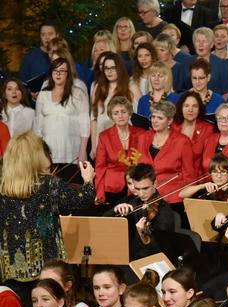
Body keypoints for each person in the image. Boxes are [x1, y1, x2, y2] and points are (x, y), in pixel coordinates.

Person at [0, 133, 95, 284]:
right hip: (47, 271)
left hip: (10, 271)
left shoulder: (3, 185)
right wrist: (88, 180)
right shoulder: (49, 184)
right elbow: (81, 200)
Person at [107, 163, 175, 261]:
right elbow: (104, 222)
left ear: (155, 183)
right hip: (130, 258)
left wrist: (144, 236)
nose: (141, 194)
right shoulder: (132, 201)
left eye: (145, 188)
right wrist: (115, 210)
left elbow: (161, 251)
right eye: (137, 189)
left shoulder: (164, 211)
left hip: (151, 262)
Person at [135, 100, 196, 206]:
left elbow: (189, 175)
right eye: (153, 117)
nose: (155, 121)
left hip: (172, 198)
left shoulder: (182, 141)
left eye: (160, 118)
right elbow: (136, 169)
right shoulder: (142, 137)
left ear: (170, 121)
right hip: (145, 196)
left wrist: (188, 200)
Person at [34, 58, 91, 165]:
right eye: (55, 70)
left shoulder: (78, 94)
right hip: (48, 154)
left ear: (68, 73)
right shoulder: (43, 94)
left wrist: (83, 151)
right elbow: (38, 126)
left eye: (62, 70)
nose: (58, 73)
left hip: (72, 153)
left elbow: (84, 125)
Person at [93, 96, 146, 204]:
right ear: (111, 116)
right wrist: (99, 192)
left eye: (123, 112)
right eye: (116, 113)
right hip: (112, 188)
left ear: (129, 113)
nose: (120, 116)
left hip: (137, 187)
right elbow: (100, 167)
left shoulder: (141, 134)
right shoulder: (104, 136)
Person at [90, 52, 141, 157]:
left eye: (113, 68)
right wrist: (94, 145)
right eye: (106, 68)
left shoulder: (131, 87)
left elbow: (140, 117)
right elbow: (94, 118)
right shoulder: (98, 87)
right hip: (103, 140)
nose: (109, 71)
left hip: (126, 142)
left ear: (119, 68)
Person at [173, 91, 217, 168]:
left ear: (199, 110)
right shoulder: (173, 127)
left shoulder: (208, 129)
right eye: (186, 106)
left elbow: (208, 160)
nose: (190, 110)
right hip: (175, 172)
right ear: (181, 108)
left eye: (195, 106)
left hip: (199, 173)